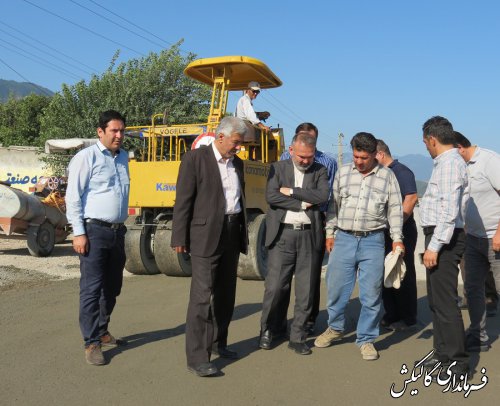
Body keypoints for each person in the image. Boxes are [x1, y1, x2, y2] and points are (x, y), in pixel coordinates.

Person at [314, 132, 404, 361]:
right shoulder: (343, 173)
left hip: (373, 241)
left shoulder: (387, 177)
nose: (359, 161)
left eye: (364, 158)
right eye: (355, 156)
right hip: (343, 238)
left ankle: (366, 339)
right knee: (336, 289)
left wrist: (397, 238)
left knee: (371, 294)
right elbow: (333, 206)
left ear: (375, 155)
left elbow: (395, 209)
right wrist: (329, 233)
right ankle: (335, 327)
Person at [171, 116, 248, 377]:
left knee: (226, 294)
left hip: (232, 232)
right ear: (221, 136)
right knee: (202, 297)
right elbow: (183, 200)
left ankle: (218, 342)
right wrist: (179, 237)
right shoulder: (195, 159)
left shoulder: (238, 163)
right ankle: (197, 358)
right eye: (236, 142)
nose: (239, 147)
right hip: (205, 235)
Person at [66, 110, 130, 366]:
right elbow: (73, 197)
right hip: (94, 232)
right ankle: (91, 342)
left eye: (122, 130)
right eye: (114, 130)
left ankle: (102, 330)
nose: (119, 135)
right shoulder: (86, 157)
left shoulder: (123, 157)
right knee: (92, 289)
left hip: (117, 231)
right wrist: (79, 233)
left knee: (113, 287)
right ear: (100, 132)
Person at [259, 131, 329, 355]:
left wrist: (291, 192)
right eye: (301, 156)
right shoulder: (277, 169)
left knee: (306, 289)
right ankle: (270, 329)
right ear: (291, 150)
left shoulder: (320, 170)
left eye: (309, 157)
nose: (305, 161)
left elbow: (322, 196)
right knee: (275, 287)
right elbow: (271, 196)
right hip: (282, 235)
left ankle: (298, 336)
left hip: (309, 236)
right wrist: (302, 203)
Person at [419, 116, 469, 377]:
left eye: (425, 143)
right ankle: (442, 354)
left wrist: (434, 247)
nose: (426, 147)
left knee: (446, 302)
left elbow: (449, 212)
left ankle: (458, 362)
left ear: (432, 140)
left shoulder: (449, 164)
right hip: (441, 237)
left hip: (445, 239)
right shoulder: (446, 162)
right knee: (437, 302)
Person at [277, 122, 337, 335]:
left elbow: (327, 196)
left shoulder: (327, 163)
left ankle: (309, 320)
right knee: (281, 279)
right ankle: (278, 323)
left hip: (316, 222)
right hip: (286, 221)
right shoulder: (284, 159)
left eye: (310, 138)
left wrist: (329, 228)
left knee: (310, 277)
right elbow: (277, 190)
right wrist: (305, 199)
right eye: (302, 137)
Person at [454, 131, 500, 352]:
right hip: (472, 237)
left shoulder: (489, 160)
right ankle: (478, 336)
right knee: (473, 288)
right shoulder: (461, 166)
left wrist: (499, 233)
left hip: (495, 237)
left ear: (459, 147)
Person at [376, 139, 418, 330]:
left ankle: (408, 317)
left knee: (403, 273)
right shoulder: (381, 173)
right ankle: (391, 313)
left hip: (402, 231)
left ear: (380, 154)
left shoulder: (401, 172)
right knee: (386, 272)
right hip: (385, 231)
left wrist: (397, 224)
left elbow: (411, 198)